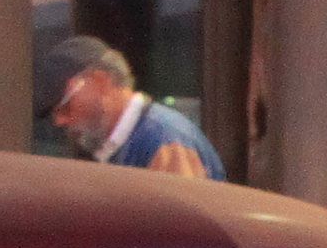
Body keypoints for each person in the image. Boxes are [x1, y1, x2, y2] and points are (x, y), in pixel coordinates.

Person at [42, 36, 218, 178]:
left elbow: (180, 212)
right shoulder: (124, 143)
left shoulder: (165, 143)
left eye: (65, 107)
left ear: (101, 82)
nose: (59, 121)